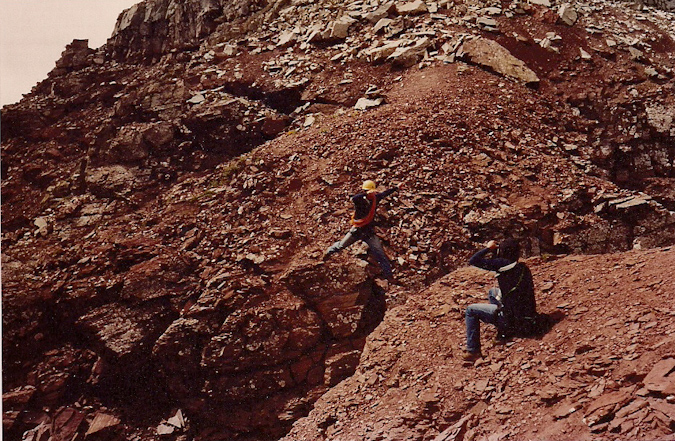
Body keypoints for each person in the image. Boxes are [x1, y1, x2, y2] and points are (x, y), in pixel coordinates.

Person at [463, 238, 536, 362]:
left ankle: (473, 351)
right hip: (526, 316)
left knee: (471, 310)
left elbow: (473, 260)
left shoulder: (501, 264)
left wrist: (488, 249)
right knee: (493, 292)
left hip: (512, 318)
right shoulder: (520, 267)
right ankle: (504, 330)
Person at [324, 180, 398, 280]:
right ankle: (327, 253)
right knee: (341, 245)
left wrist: (396, 187)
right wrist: (365, 194)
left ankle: (388, 276)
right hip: (357, 230)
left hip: (368, 233)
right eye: (370, 191)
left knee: (380, 254)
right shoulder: (360, 200)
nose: (372, 193)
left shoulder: (376, 199)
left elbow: (385, 193)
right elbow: (354, 198)